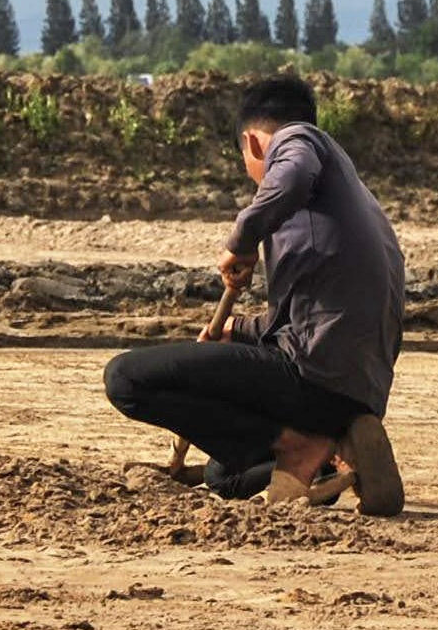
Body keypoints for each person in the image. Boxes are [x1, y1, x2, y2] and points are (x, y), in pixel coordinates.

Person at [104, 74, 406, 515]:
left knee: (126, 379)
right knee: (223, 476)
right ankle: (330, 460)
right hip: (357, 391)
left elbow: (292, 173)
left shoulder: (298, 140)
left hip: (316, 375)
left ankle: (299, 447)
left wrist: (243, 239)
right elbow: (312, 313)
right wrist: (240, 330)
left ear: (253, 143)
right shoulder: (352, 196)